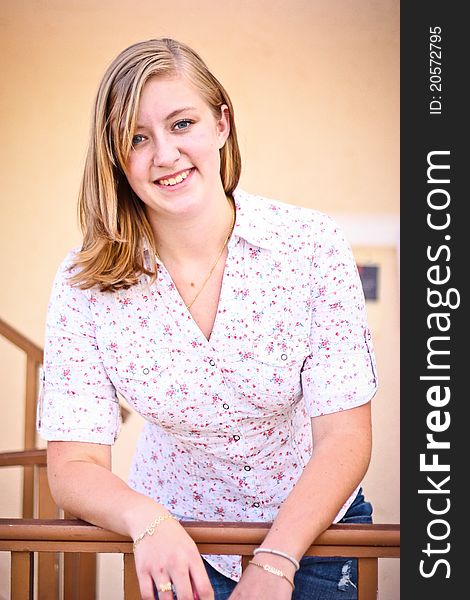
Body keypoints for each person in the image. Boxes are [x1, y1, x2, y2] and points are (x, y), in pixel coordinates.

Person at [37, 37, 377, 600]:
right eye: (137, 138)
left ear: (222, 123)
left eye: (181, 123)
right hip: (177, 545)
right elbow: (73, 463)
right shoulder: (84, 284)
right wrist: (148, 521)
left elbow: (345, 434)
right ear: (116, 158)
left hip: (315, 532)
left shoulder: (310, 245)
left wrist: (274, 562)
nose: (164, 155)